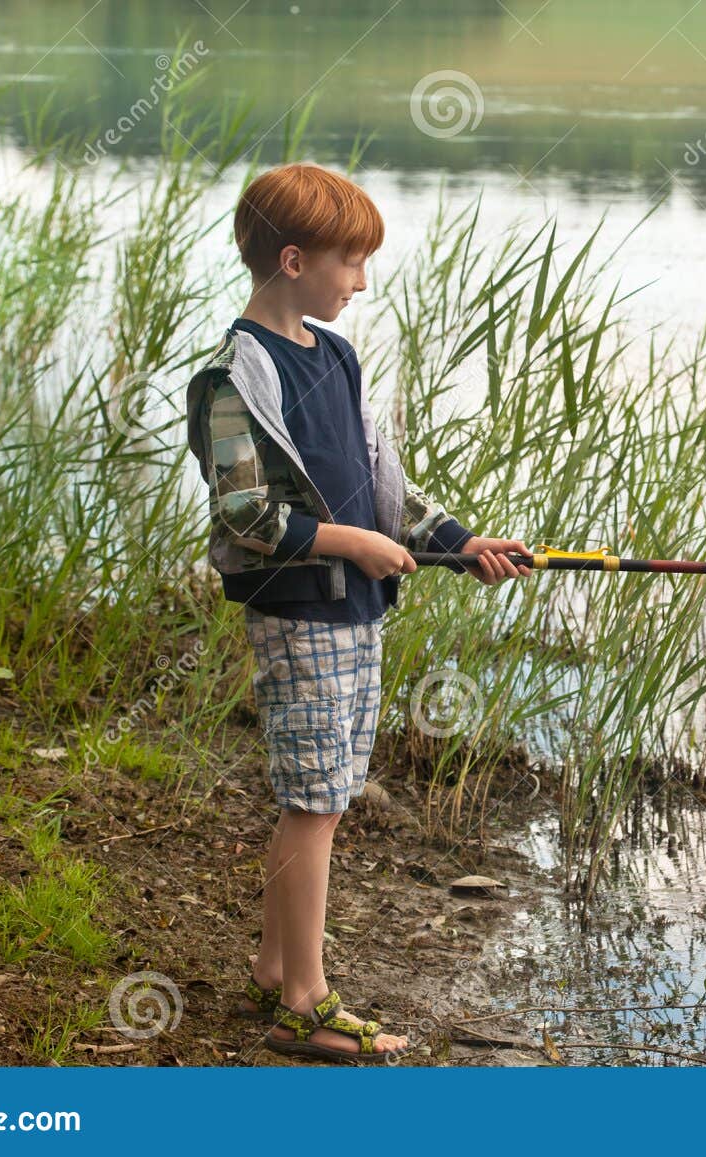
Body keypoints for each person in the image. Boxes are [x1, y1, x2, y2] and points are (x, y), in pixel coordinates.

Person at [184, 161, 532, 1063]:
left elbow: (383, 487)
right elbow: (246, 515)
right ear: (293, 259)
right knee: (313, 804)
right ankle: (305, 999)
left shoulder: (335, 355)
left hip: (356, 607)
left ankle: (273, 969)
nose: (362, 280)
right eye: (352, 262)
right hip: (298, 610)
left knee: (324, 801)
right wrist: (351, 546)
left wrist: (459, 542)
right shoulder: (230, 378)